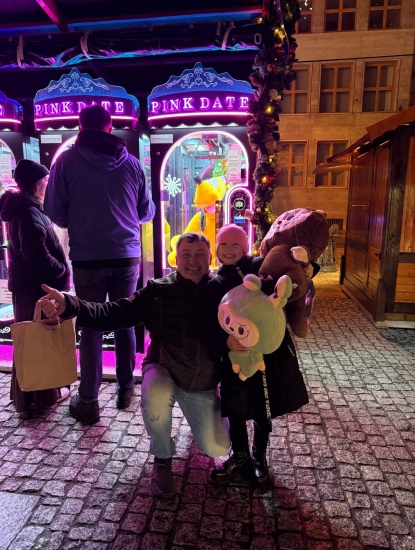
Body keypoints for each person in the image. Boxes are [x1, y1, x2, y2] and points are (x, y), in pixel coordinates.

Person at [39, 233, 230, 499]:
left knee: (218, 446)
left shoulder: (223, 291)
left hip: (202, 383)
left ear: (210, 258)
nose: (192, 261)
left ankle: (204, 414)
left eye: (200, 254)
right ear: (176, 259)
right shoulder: (158, 291)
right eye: (186, 254)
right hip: (164, 370)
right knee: (157, 396)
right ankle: (162, 458)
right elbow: (112, 312)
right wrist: (69, 304)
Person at [44, 105, 155, 421]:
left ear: (80, 128)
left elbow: (54, 211)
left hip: (87, 257)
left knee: (90, 324)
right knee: (124, 319)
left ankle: (89, 401)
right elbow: (146, 212)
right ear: (110, 128)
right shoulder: (132, 164)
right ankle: (125, 389)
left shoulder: (65, 162)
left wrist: (83, 219)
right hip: (126, 255)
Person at [208, 224, 311, 491]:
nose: (229, 249)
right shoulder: (214, 282)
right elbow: (208, 322)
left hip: (267, 357)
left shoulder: (258, 265)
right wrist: (224, 342)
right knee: (235, 408)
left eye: (235, 244)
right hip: (234, 358)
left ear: (245, 247)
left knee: (263, 408)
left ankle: (259, 457)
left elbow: (291, 272)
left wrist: (308, 268)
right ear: (216, 249)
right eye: (223, 244)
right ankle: (240, 455)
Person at [0, 159, 71, 415]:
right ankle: (39, 399)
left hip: (29, 287)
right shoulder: (29, 212)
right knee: (37, 342)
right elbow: (36, 254)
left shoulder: (27, 209)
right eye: (45, 180)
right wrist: (61, 269)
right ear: (35, 184)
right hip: (34, 288)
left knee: (31, 343)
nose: (49, 184)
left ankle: (30, 397)